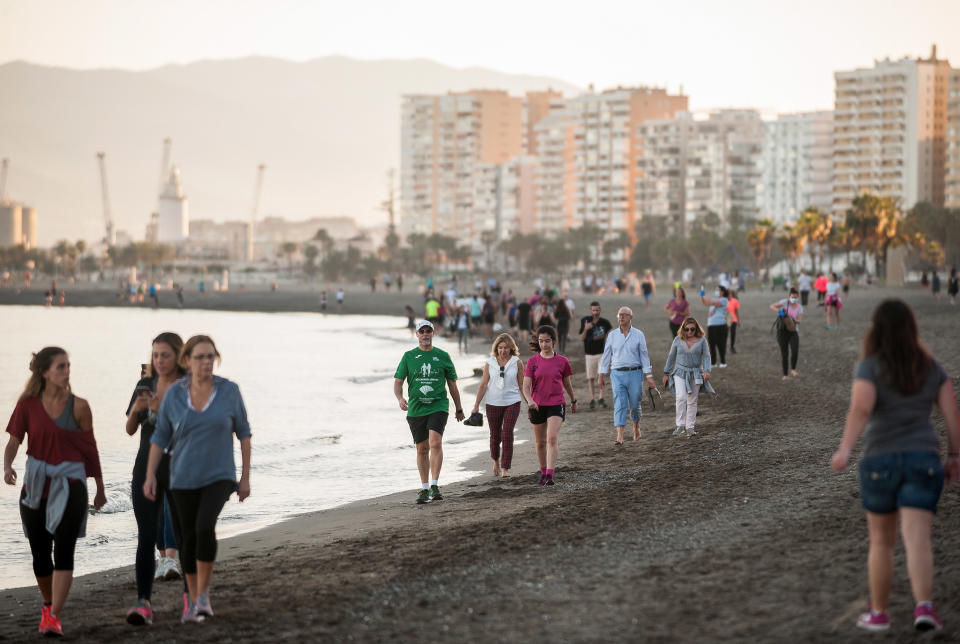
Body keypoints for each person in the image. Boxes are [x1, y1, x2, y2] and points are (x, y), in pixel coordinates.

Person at [831, 299, 960, 633]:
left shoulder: (870, 367)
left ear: (876, 330)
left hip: (880, 461)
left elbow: (860, 410)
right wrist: (954, 456)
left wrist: (845, 449)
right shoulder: (931, 367)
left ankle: (879, 614)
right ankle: (925, 608)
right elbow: (951, 415)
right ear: (911, 328)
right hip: (923, 460)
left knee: (882, 542)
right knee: (918, 539)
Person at [144, 335, 252, 624]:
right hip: (182, 477)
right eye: (200, 357)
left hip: (219, 475)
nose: (206, 362)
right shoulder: (176, 396)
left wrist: (244, 478)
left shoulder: (229, 391)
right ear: (187, 361)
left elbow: (244, 433)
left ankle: (203, 595)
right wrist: (151, 475)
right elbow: (161, 437)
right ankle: (194, 599)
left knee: (204, 527)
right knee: (188, 537)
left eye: (210, 357)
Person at [4, 347, 107, 637]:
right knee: (40, 553)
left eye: (68, 366)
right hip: (35, 486)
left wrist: (99, 487)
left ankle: (53, 616)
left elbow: (90, 449)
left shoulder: (80, 406)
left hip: (71, 486)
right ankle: (48, 605)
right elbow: (14, 441)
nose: (67, 371)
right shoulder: (27, 405)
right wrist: (7, 467)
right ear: (45, 372)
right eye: (61, 366)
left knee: (64, 551)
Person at [124, 332, 190, 626]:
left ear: (178, 356)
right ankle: (143, 603)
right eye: (155, 355)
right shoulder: (144, 386)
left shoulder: (190, 386)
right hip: (145, 467)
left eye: (165, 354)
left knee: (185, 535)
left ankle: (191, 599)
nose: (159, 360)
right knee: (146, 536)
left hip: (180, 467)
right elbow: (129, 429)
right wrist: (138, 410)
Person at [394, 321, 464, 504]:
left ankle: (435, 485)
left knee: (435, 442)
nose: (425, 334)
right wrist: (400, 398)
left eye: (428, 331)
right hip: (416, 409)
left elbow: (452, 384)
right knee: (422, 448)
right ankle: (424, 488)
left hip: (438, 406)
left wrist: (459, 408)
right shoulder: (409, 356)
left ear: (433, 333)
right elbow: (398, 381)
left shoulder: (442, 356)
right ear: (417, 334)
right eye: (422, 331)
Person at [522, 325, 576, 485]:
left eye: (547, 341)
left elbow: (567, 383)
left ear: (554, 341)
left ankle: (551, 475)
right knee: (540, 442)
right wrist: (529, 400)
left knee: (552, 438)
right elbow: (525, 386)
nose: (544, 344)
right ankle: (544, 472)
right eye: (541, 341)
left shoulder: (562, 361)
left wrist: (573, 400)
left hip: (556, 403)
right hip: (537, 405)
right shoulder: (532, 362)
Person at [597, 307, 657, 445]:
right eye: (620, 315)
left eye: (625, 315)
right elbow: (606, 356)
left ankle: (636, 427)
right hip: (617, 374)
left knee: (635, 402)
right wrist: (601, 375)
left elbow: (644, 356)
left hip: (635, 373)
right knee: (619, 402)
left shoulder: (638, 334)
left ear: (631, 317)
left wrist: (649, 376)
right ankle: (620, 435)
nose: (621, 317)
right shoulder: (612, 335)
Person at [470, 334, 525, 478]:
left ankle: (505, 468)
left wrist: (529, 402)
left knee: (507, 433)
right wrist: (476, 406)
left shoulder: (517, 362)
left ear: (511, 348)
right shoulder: (490, 363)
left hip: (512, 402)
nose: (503, 350)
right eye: (500, 348)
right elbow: (483, 385)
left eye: (506, 348)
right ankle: (495, 460)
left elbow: (522, 384)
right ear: (496, 348)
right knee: (495, 436)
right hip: (492, 403)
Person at [662, 317, 713, 437]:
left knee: (692, 400)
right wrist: (666, 373)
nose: (689, 332)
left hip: (696, 373)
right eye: (687, 329)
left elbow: (707, 356)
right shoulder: (677, 340)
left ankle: (690, 427)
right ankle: (680, 425)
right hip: (680, 372)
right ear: (683, 329)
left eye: (692, 329)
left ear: (696, 329)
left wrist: (707, 370)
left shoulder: (702, 341)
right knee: (681, 397)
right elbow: (671, 357)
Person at [578, 302, 612, 410]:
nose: (596, 312)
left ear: (600, 310)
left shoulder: (605, 322)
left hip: (602, 353)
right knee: (591, 377)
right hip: (589, 353)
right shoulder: (585, 321)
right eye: (594, 310)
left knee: (601, 375)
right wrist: (586, 329)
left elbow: (608, 336)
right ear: (590, 310)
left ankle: (601, 397)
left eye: (597, 310)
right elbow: (582, 338)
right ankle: (592, 399)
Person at [770, 287, 803, 380]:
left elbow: (799, 320)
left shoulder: (800, 308)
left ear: (798, 297)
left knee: (795, 350)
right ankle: (785, 374)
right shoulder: (784, 302)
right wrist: (779, 311)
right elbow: (772, 306)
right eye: (793, 297)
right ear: (789, 296)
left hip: (793, 331)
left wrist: (793, 320)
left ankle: (793, 369)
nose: (794, 299)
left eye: (796, 297)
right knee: (784, 353)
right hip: (782, 331)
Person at [700, 284, 729, 368]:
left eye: (718, 290)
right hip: (711, 324)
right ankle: (713, 362)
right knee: (711, 344)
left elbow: (709, 302)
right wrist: (702, 295)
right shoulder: (714, 299)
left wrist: (704, 295)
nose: (716, 291)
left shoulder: (724, 300)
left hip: (720, 324)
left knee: (721, 344)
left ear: (722, 292)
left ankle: (723, 362)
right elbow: (705, 303)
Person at [727, 289, 741, 355]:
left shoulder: (735, 301)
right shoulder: (724, 301)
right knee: (725, 334)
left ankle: (732, 347)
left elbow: (736, 312)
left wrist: (738, 321)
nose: (729, 295)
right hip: (725, 320)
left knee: (733, 334)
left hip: (733, 320)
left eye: (730, 293)